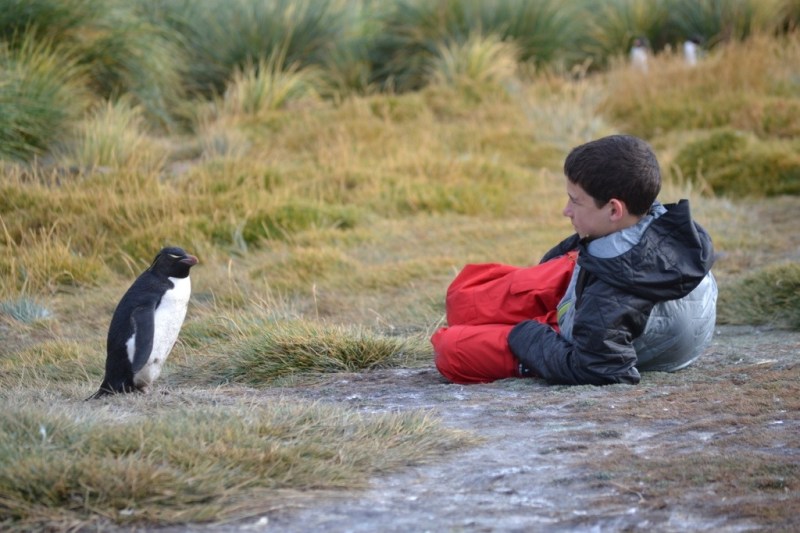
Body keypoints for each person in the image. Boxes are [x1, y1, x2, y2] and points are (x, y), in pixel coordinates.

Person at [431, 134, 717, 386]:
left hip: (596, 330)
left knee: (451, 350)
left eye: (575, 201)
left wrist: (527, 334)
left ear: (614, 210)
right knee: (462, 297)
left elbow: (599, 370)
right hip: (617, 300)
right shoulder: (650, 216)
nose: (566, 211)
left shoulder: (607, 303)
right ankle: (540, 314)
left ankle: (534, 324)